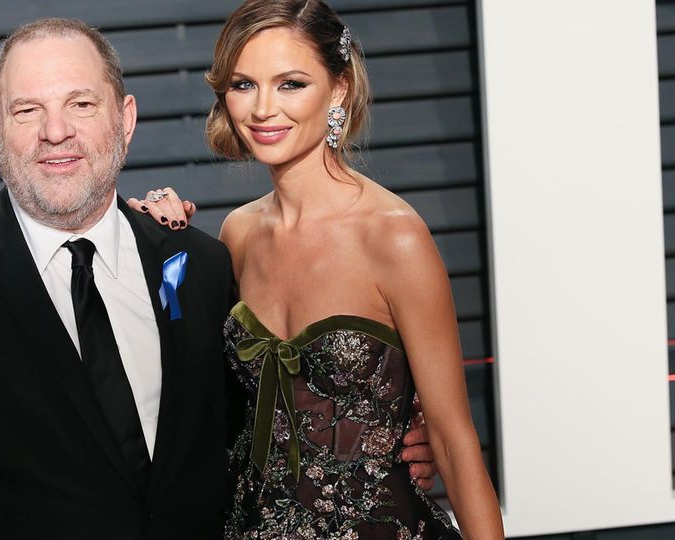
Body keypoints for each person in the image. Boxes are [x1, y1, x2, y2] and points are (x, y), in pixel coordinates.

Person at [0, 16, 437, 540]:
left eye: (81, 103)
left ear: (125, 119)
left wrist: (395, 432)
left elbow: (263, 420)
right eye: (28, 110)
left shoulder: (197, 267)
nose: (56, 132)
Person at [128, 1, 504, 538]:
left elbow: (452, 439)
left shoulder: (393, 235)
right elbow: (207, 403)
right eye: (242, 84)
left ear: (340, 88)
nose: (262, 109)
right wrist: (156, 244)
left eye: (290, 84)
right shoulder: (237, 233)